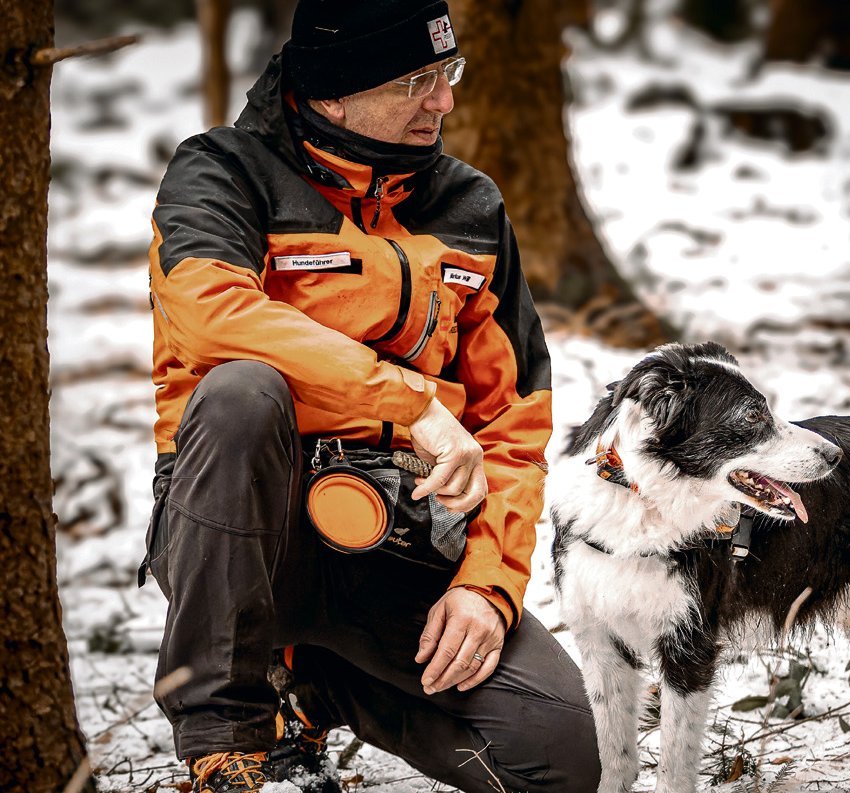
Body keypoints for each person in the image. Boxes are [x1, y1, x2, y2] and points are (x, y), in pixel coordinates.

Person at [141, 2, 600, 791]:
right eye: (416, 80)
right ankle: (226, 730)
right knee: (242, 392)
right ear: (333, 94)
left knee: (555, 757)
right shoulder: (222, 172)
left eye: (446, 73)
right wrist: (411, 403)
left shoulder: (474, 207)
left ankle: (314, 684)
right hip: (245, 529)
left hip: (399, 541)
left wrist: (487, 587)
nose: (444, 102)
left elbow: (513, 421)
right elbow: (209, 315)